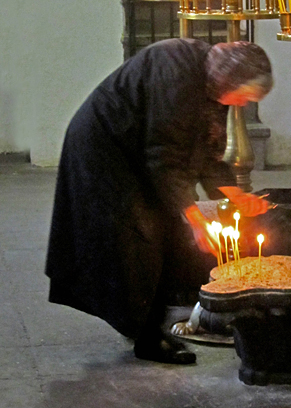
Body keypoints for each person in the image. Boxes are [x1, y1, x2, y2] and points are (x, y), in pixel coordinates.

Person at [45, 38, 273, 365]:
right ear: (230, 80)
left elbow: (204, 147)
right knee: (140, 237)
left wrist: (234, 193)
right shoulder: (178, 75)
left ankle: (144, 323)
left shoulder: (211, 80)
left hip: (137, 153)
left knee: (161, 234)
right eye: (245, 95)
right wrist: (196, 219)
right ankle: (147, 336)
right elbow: (164, 157)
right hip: (106, 151)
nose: (242, 103)